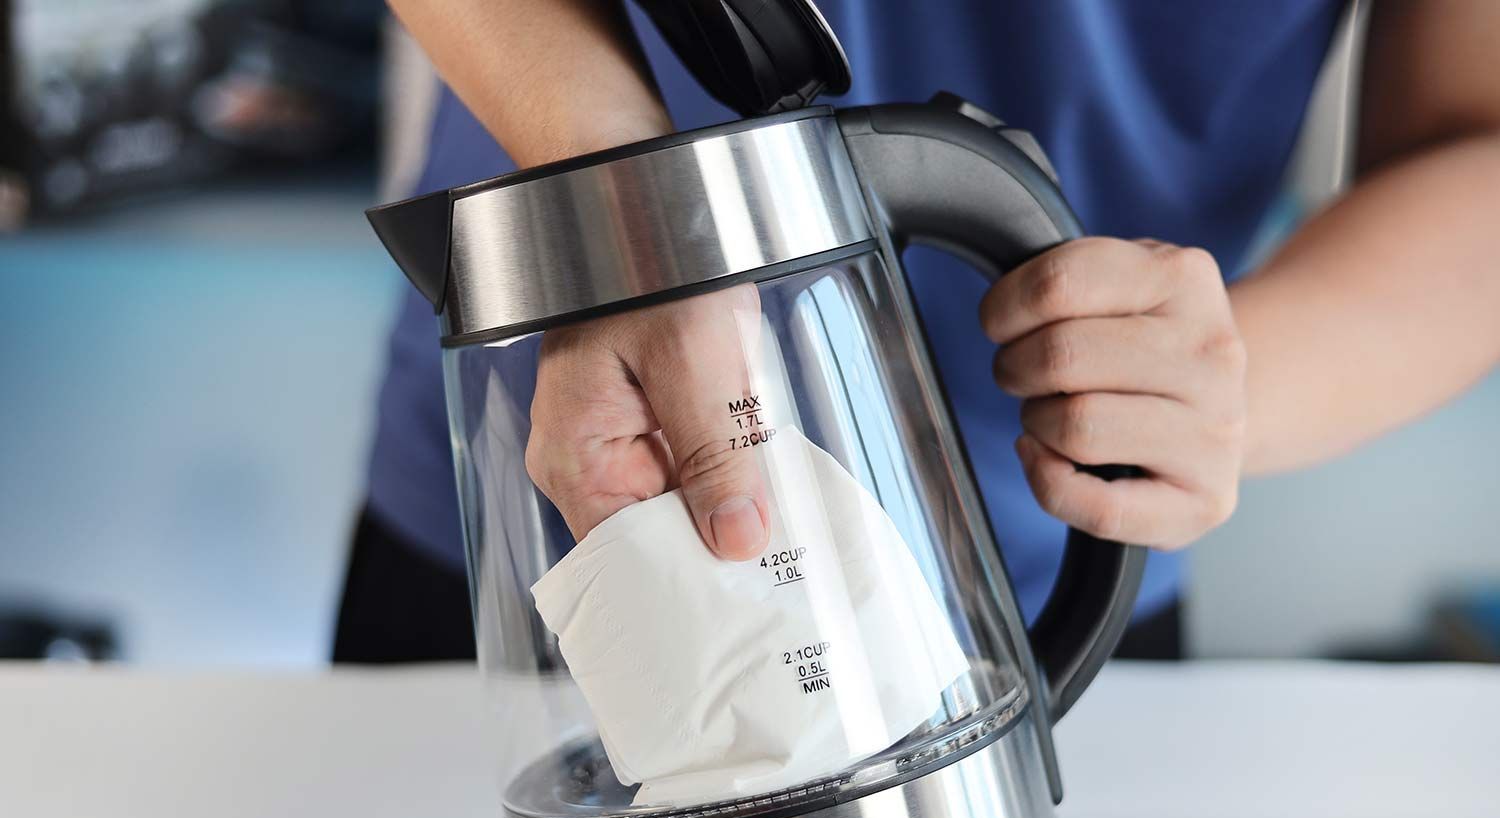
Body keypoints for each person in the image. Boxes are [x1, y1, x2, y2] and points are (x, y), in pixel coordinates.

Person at [333, 0, 1500, 663]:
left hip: (1057, 588)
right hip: (552, 537)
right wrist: (624, 203)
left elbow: (1475, 141)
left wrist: (1221, 391)